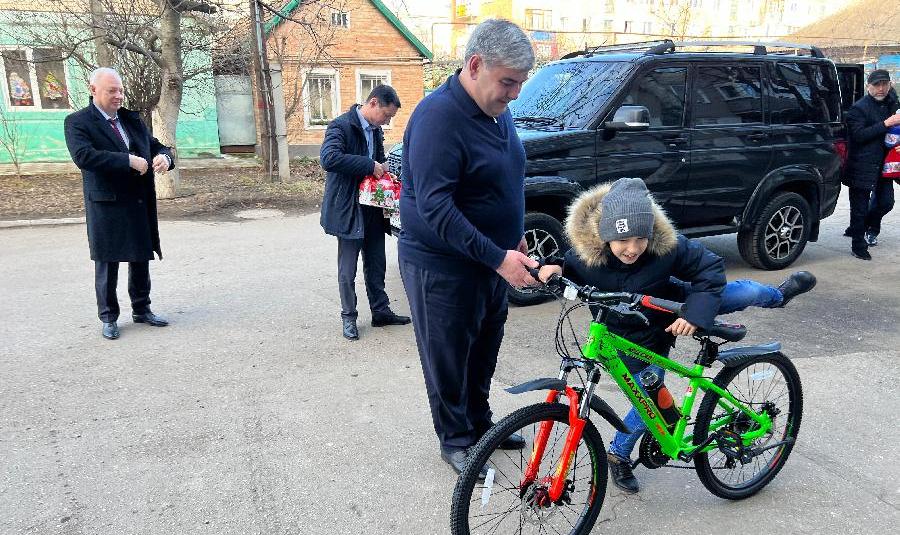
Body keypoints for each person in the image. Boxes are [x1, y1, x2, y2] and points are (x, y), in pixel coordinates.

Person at [538, 178, 816, 494]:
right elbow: (563, 265)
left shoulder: (667, 246)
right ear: (604, 235)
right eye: (623, 240)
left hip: (669, 310)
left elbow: (709, 270)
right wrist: (553, 268)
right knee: (648, 402)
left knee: (744, 291)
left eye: (641, 238)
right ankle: (622, 451)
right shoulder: (584, 254)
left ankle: (777, 295)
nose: (632, 248)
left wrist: (694, 315)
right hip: (619, 334)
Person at [398, 19, 539, 477]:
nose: (514, 93)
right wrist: (499, 257)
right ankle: (455, 439)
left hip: (489, 261)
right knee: (449, 355)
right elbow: (436, 208)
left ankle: (481, 425)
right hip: (443, 266)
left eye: (520, 83)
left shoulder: (497, 112)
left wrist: (512, 234)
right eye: (508, 82)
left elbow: (505, 177)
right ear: (475, 66)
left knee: (483, 347)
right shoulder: (438, 117)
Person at [64, 67, 175, 341]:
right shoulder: (77, 122)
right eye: (112, 90)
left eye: (120, 90)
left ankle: (142, 309)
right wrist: (127, 160)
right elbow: (84, 157)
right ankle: (109, 317)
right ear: (93, 90)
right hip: (106, 203)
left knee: (140, 257)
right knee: (108, 262)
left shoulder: (131, 121)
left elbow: (156, 146)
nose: (118, 96)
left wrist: (164, 158)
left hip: (137, 200)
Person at [319, 84, 410, 341]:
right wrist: (370, 165)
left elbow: (379, 160)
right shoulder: (341, 126)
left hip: (372, 207)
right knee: (347, 270)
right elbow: (329, 159)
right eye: (387, 115)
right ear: (372, 104)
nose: (388, 121)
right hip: (348, 208)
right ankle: (349, 318)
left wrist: (385, 172)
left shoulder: (376, 130)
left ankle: (381, 312)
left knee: (376, 263)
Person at [844, 70, 900, 259]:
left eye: (884, 84)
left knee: (886, 203)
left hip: (885, 166)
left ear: (890, 85)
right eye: (877, 85)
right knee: (858, 209)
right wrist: (886, 123)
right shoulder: (858, 108)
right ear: (868, 86)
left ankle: (859, 227)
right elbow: (859, 136)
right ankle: (858, 246)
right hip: (862, 166)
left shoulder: (893, 102)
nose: (881, 88)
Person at [863, 86, 900, 247]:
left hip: (894, 165)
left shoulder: (897, 114)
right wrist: (884, 125)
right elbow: (860, 135)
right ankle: (870, 229)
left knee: (882, 201)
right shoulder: (867, 112)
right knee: (885, 201)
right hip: (876, 165)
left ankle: (863, 224)